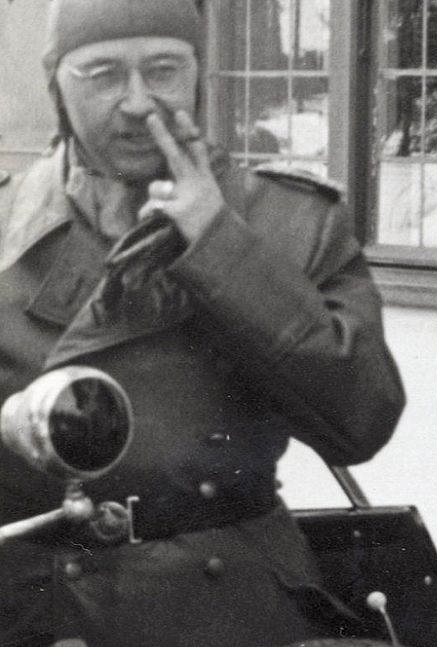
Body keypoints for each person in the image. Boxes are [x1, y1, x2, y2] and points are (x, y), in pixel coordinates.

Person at [0, 1, 405, 645]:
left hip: (225, 607)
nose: (139, 103)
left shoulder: (289, 220)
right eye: (103, 75)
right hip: (35, 606)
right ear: (56, 84)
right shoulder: (8, 226)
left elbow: (362, 419)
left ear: (198, 75)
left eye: (164, 69)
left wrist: (219, 245)